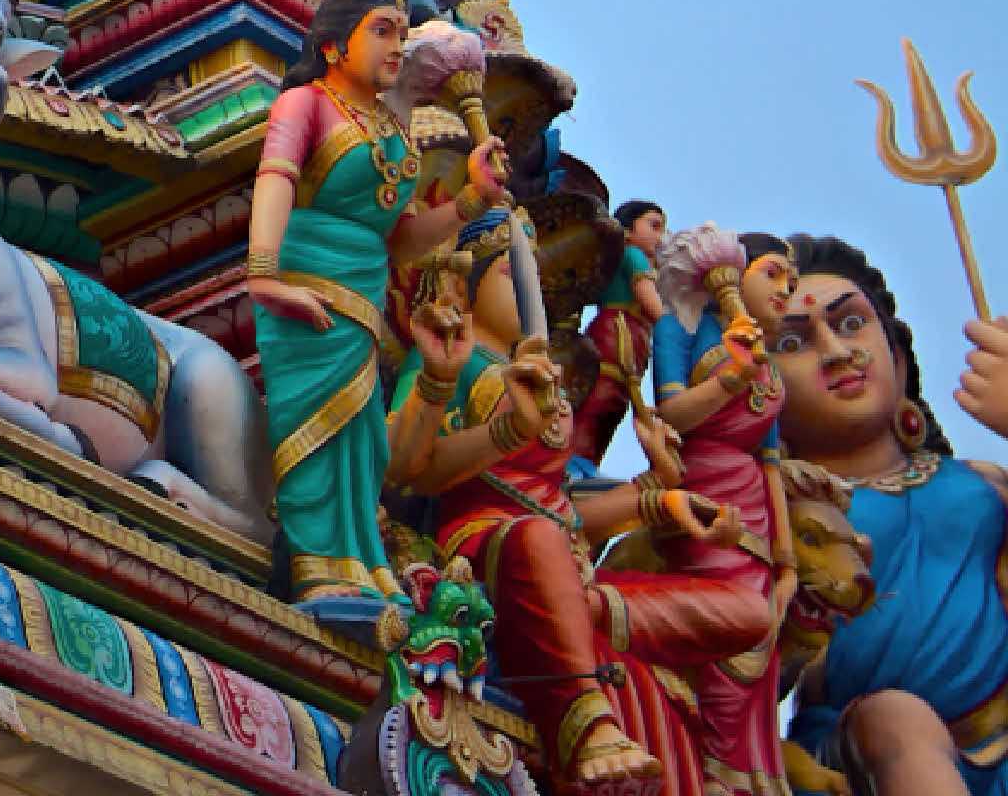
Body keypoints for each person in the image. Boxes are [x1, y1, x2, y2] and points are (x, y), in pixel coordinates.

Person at [389, 225, 769, 791]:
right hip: (487, 545)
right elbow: (406, 470)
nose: (529, 289)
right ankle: (588, 725)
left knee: (749, 613)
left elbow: (562, 508)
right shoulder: (456, 361)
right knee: (538, 540)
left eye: (535, 280)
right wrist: (476, 403)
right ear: (461, 289)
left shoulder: (539, 378)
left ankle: (570, 610)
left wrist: (658, 500)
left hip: (565, 567)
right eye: (510, 274)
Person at [242, 0, 506, 610]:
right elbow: (275, 179)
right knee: (314, 426)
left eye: (402, 34)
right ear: (335, 46)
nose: (396, 47)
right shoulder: (305, 103)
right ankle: (317, 563)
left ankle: (362, 561)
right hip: (306, 282)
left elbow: (406, 240)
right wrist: (263, 274)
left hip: (362, 299)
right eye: (382, 31)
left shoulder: (392, 130)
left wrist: (474, 195)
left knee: (361, 437)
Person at [778, 235, 1008, 796]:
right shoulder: (779, 517)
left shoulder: (983, 483)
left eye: (852, 323)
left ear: (897, 358)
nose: (837, 351)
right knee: (897, 719)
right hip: (864, 757)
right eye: (792, 340)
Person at [649, 224, 799, 796]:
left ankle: (752, 782)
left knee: (759, 660)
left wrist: (786, 561)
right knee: (719, 650)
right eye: (774, 274)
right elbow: (672, 418)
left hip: (757, 515)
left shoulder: (771, 362)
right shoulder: (681, 327)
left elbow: (771, 461)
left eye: (793, 280)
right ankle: (704, 771)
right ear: (734, 275)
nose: (786, 290)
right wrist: (732, 375)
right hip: (702, 501)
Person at [574, 198, 668, 466]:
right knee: (606, 400)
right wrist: (676, 333)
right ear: (628, 228)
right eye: (654, 226)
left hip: (612, 330)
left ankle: (583, 462)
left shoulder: (614, 258)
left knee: (605, 402)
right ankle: (581, 462)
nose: (660, 237)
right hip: (620, 333)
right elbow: (651, 305)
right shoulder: (633, 255)